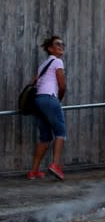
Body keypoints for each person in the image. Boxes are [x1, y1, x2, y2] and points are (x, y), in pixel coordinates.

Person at [29, 36, 67, 180]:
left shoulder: (43, 65)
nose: (61, 46)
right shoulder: (57, 61)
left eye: (62, 44)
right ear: (50, 48)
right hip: (50, 99)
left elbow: (34, 82)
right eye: (57, 44)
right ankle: (55, 165)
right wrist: (58, 100)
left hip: (38, 101)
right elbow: (62, 85)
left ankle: (34, 171)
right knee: (60, 132)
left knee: (45, 137)